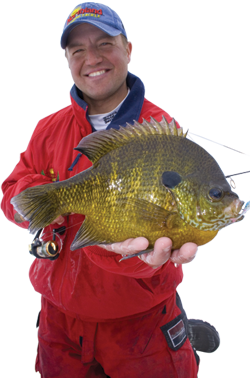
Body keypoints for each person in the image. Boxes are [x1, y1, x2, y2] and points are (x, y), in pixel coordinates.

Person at [1, 3, 219, 377]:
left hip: (141, 327)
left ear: (128, 49)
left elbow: (160, 239)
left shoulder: (162, 134)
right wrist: (36, 201)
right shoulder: (48, 129)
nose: (92, 58)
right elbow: (11, 192)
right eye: (78, 50)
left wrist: (133, 252)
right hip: (59, 325)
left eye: (104, 44)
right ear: (69, 60)